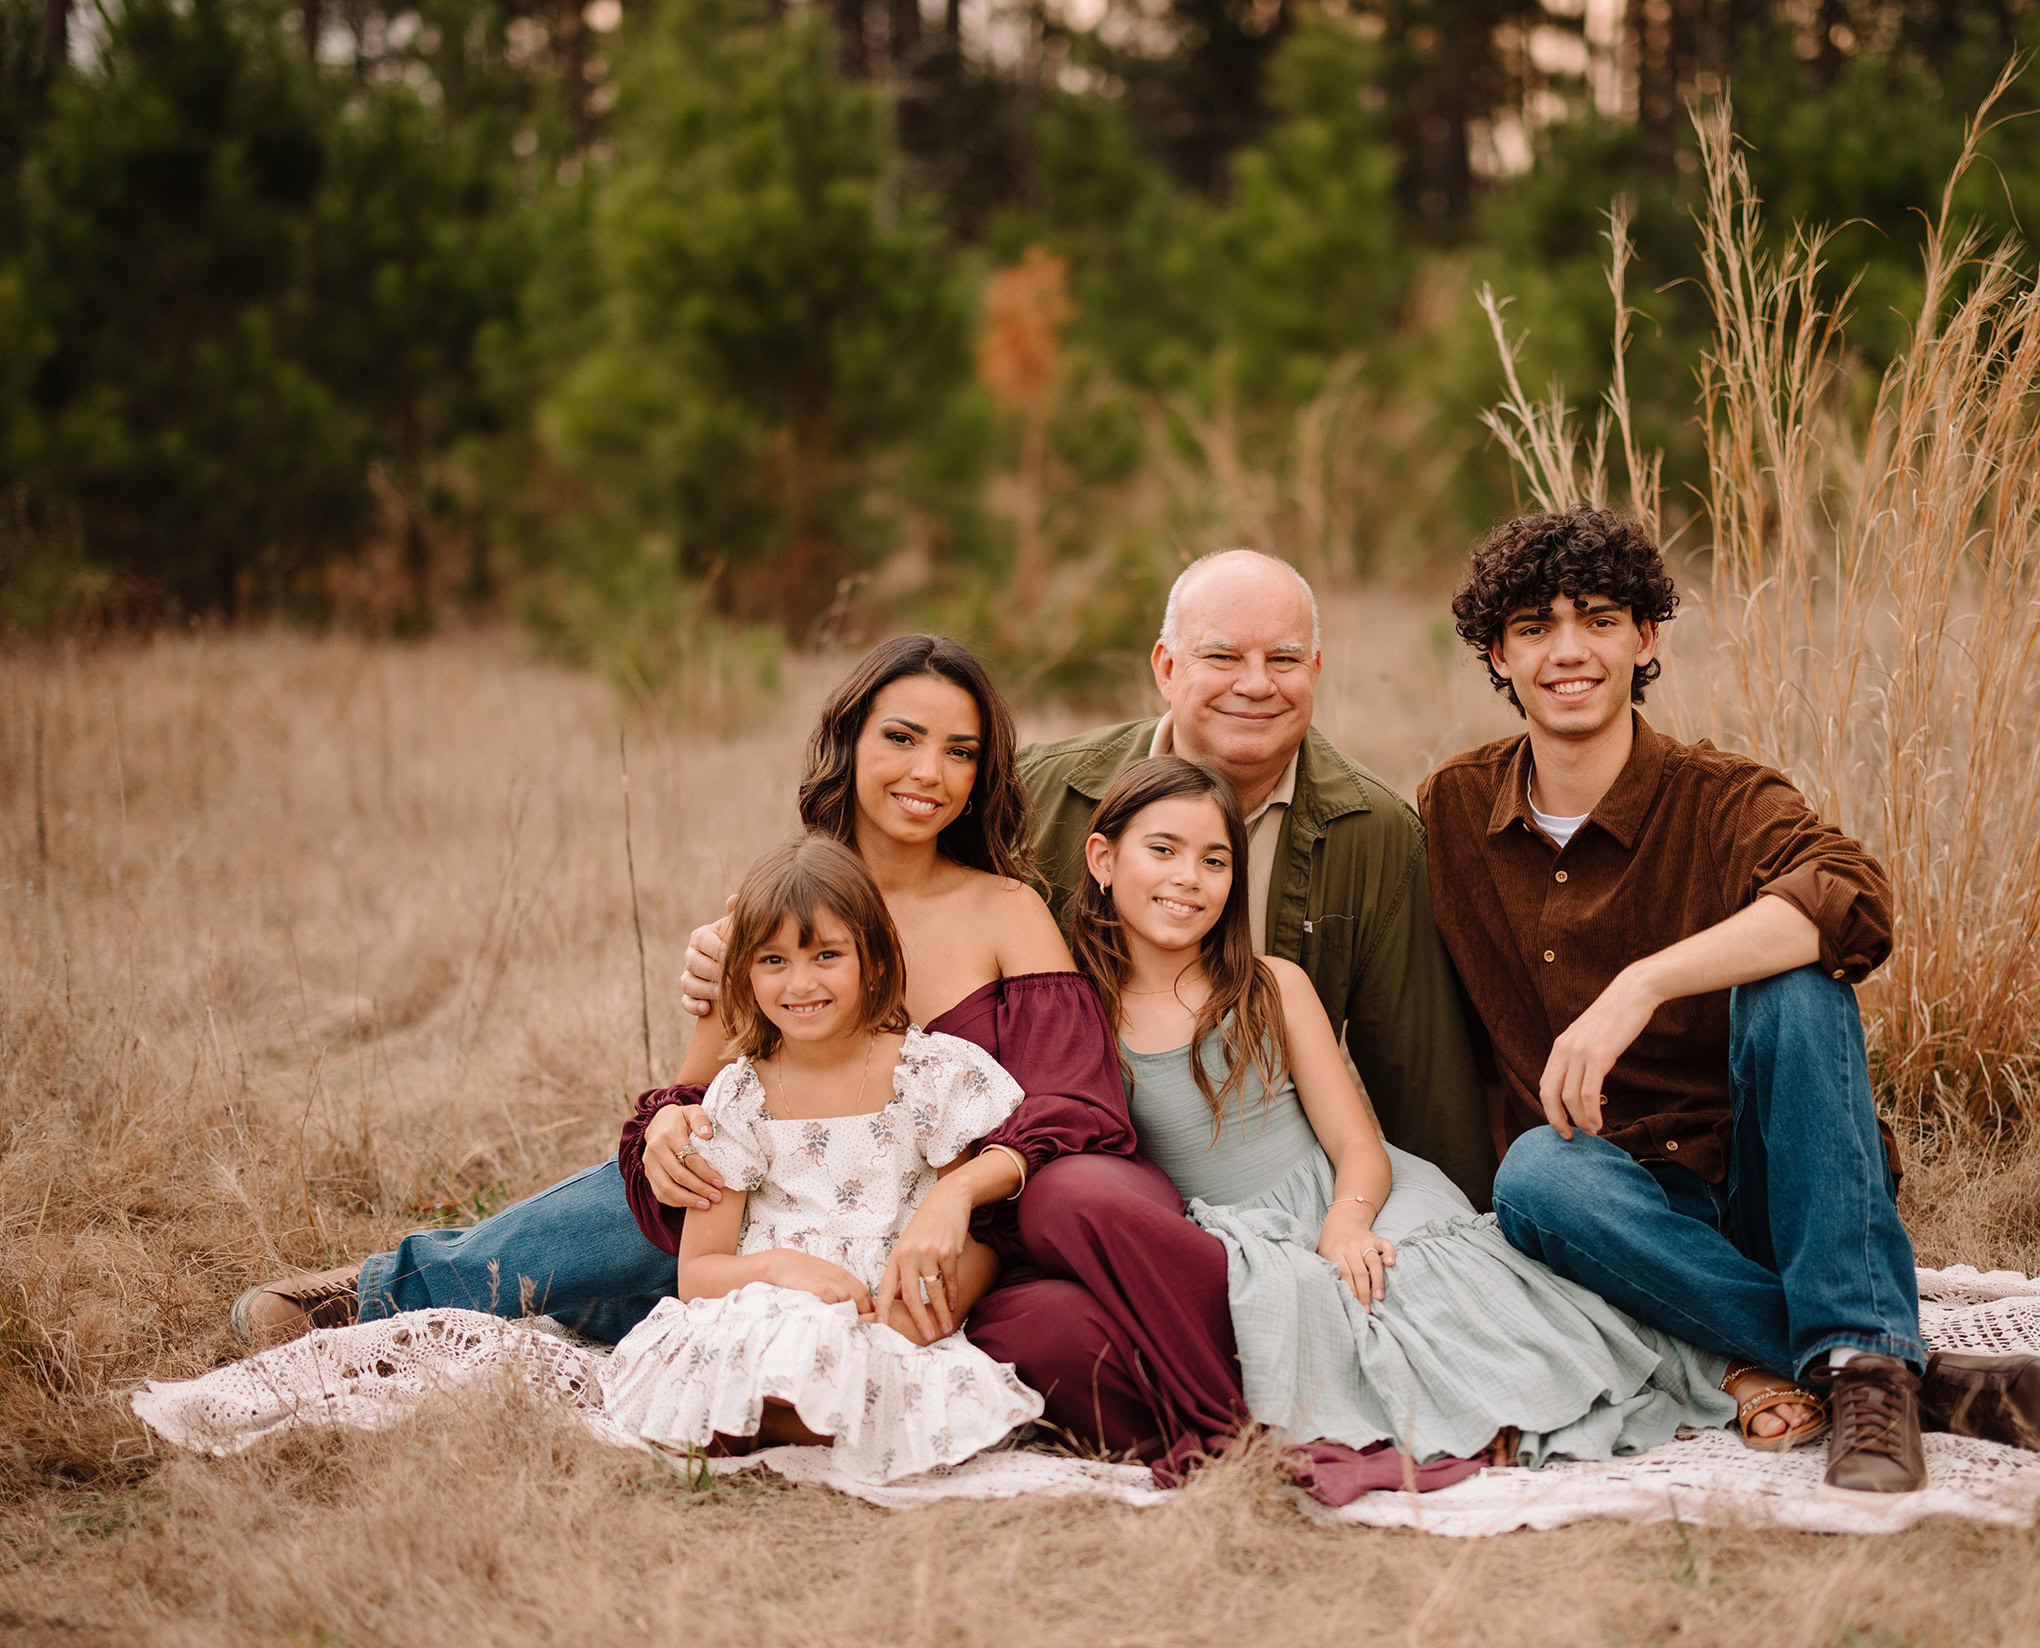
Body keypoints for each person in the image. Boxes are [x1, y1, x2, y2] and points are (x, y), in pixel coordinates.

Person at [236, 637, 1247, 1483]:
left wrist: (957, 1198)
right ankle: (380, 1293)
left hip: (939, 1229)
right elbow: (698, 1083)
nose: (927, 773)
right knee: (670, 1193)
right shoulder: (782, 904)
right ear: (850, 742)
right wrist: (670, 1122)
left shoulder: (1004, 909)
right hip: (774, 1213)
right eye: (901, 738)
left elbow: (1076, 1097)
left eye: (960, 750)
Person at [1416, 508, 2040, 1506]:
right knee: (1533, 1172)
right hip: (1623, 1214)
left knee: (1797, 973)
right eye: (1532, 627)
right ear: (1497, 656)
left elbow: (1850, 895)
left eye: (1597, 620)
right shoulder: (1453, 811)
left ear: (1646, 638)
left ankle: (1855, 1346)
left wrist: (1640, 983)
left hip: (1777, 1189)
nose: (1567, 651)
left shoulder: (1718, 797)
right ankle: (1880, 1362)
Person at [1066, 754, 1735, 1496]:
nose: (1188, 876)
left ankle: (1648, 1376)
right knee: (1324, 1315)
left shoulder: (1269, 986)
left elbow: (1357, 1142)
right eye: (1163, 850)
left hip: (1361, 1190)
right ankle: (1472, 1421)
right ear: (1103, 857)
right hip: (1242, 1230)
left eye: (1215, 859)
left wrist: (1348, 1222)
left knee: (1441, 1293)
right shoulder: (1083, 1013)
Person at [1015, 549, 1498, 1205]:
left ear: (1316, 670)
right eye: (1221, 657)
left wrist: (1464, 1238)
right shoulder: (1040, 791)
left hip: (1279, 1207)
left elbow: (1422, 1077)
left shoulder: (1374, 831)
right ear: (1166, 667)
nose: (1255, 683)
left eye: (1284, 659)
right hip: (1078, 1183)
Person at [599, 834, 1043, 1481]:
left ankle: (802, 1419)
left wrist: (928, 1313)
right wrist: (779, 1268)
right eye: (773, 959)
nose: (800, 982)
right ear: (743, 972)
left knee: (862, 1364)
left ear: (874, 957)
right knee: (773, 1340)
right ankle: (767, 1414)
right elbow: (697, 1272)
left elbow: (977, 1232)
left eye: (826, 955)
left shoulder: (931, 1074)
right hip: (770, 1301)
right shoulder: (740, 1094)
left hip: (886, 1310)